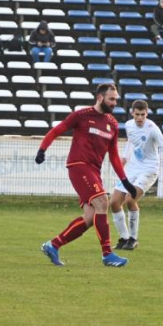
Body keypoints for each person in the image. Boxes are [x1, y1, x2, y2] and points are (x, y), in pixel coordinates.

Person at [37, 83, 137, 268]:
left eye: (116, 99)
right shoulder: (82, 115)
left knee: (90, 217)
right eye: (111, 99)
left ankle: (53, 245)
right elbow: (57, 130)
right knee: (103, 201)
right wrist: (43, 148)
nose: (115, 103)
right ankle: (107, 254)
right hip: (78, 166)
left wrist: (125, 181)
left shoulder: (113, 125)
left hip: (94, 171)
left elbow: (114, 156)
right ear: (100, 97)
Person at [110, 100, 163, 250]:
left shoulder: (153, 129)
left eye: (143, 115)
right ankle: (123, 238)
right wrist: (125, 157)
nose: (140, 118)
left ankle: (133, 239)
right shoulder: (128, 125)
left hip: (149, 169)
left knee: (130, 199)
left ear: (147, 113)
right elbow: (131, 141)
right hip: (132, 169)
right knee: (113, 202)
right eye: (137, 114)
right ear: (132, 113)